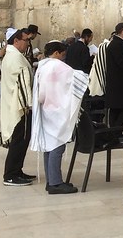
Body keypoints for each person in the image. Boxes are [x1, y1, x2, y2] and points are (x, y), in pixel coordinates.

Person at [29, 41, 88, 195]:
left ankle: (51, 180)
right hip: (57, 110)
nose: (63, 57)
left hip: (46, 109)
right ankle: (55, 183)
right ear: (56, 53)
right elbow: (77, 77)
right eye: (62, 54)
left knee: (49, 145)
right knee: (57, 145)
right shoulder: (57, 66)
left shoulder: (42, 66)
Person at [0, 28, 36, 186]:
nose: (28, 43)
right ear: (16, 41)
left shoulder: (14, 55)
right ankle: (10, 175)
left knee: (22, 140)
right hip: (20, 107)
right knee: (19, 141)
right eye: (26, 40)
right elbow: (22, 82)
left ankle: (17, 170)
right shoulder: (15, 58)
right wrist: (30, 104)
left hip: (17, 105)